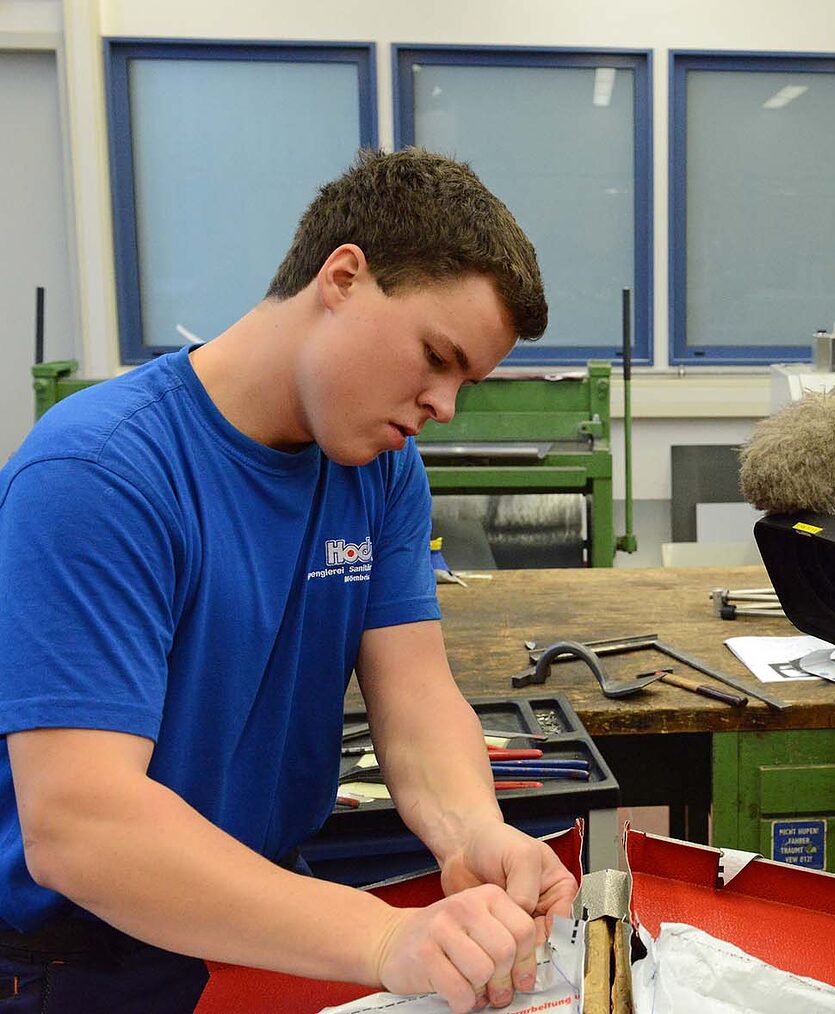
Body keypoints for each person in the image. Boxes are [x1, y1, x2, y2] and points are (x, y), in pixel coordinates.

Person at [0, 148, 576, 1013]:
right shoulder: (100, 472)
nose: (445, 406)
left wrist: (473, 832)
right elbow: (80, 825)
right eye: (435, 355)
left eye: (467, 381)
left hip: (268, 922)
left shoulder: (379, 471)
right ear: (343, 276)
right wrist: (383, 936)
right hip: (85, 962)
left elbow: (415, 695)